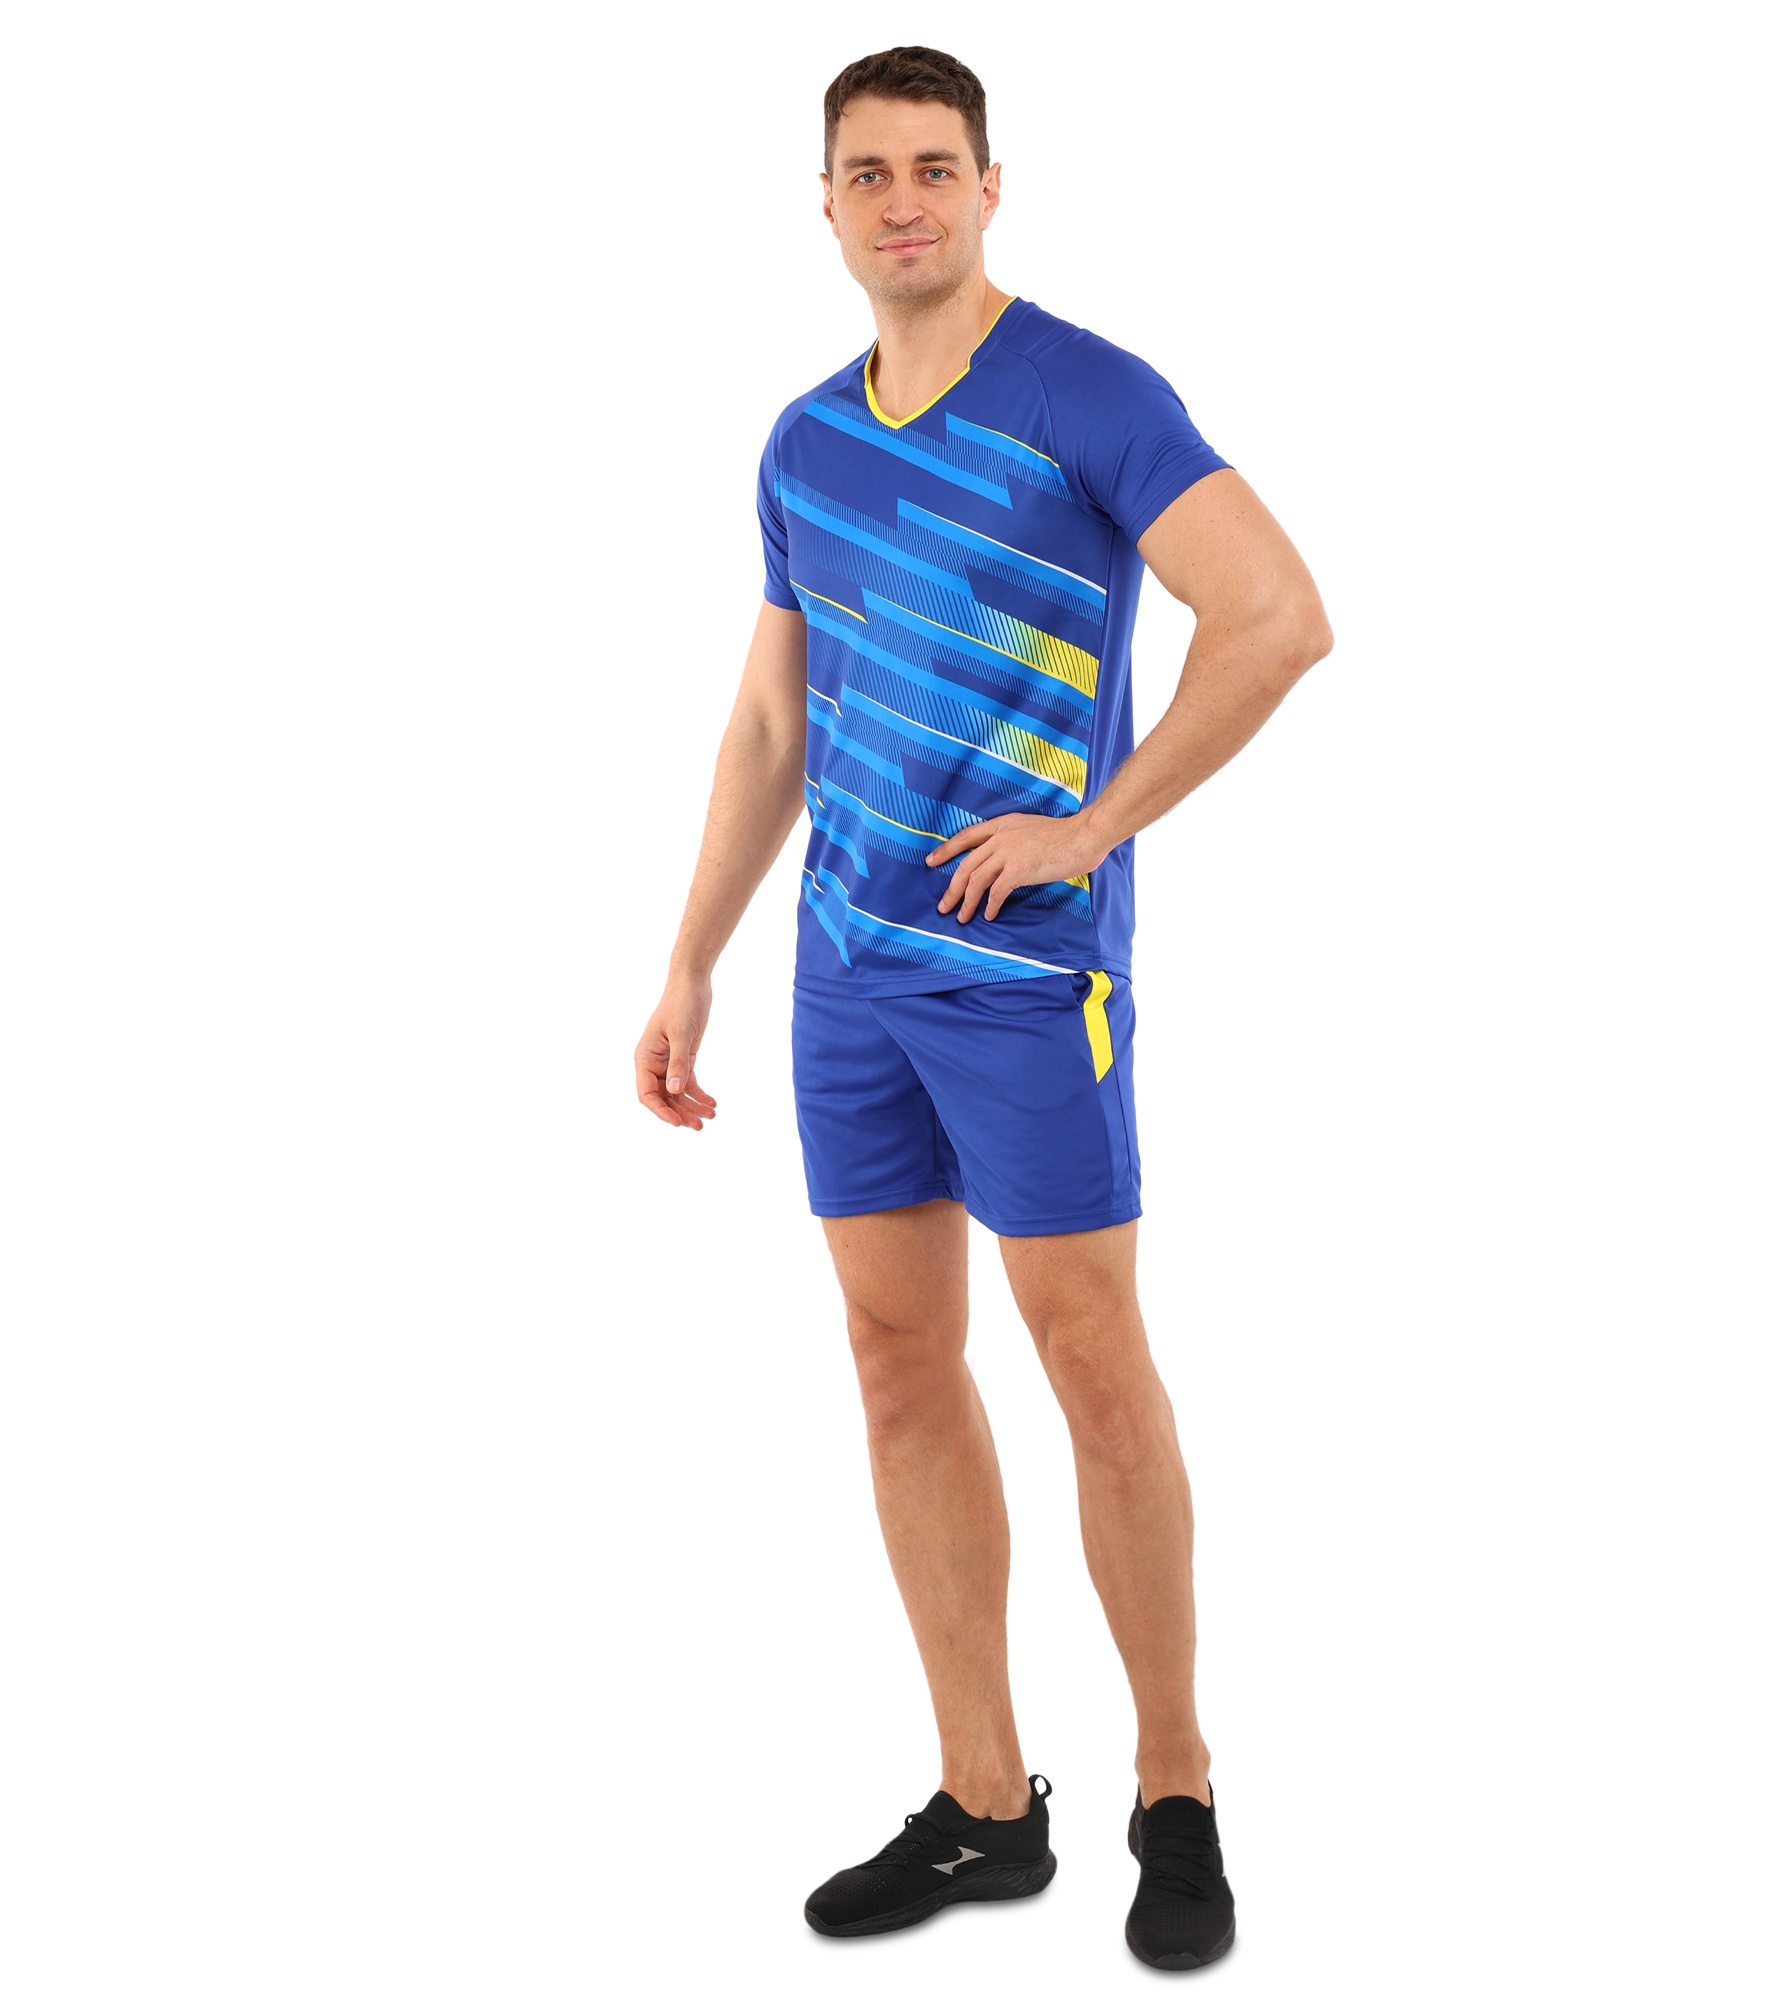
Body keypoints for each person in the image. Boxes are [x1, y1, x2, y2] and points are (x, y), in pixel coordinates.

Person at [634, 45, 1331, 1973]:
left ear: (991, 187)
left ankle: (1174, 1788)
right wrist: (691, 955)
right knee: (892, 1359)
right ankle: (986, 1803)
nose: (902, 201)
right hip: (846, 972)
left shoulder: (1087, 395)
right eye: (867, 172)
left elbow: (1278, 614)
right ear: (826, 204)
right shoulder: (802, 441)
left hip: (1028, 976)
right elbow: (771, 721)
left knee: (1090, 1356)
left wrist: (1092, 827)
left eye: (934, 167)